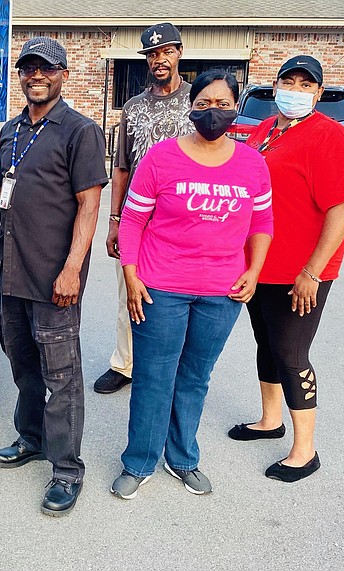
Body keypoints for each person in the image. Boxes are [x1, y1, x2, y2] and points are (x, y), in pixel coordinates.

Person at [0, 37, 108, 516]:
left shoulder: (80, 131)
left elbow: (89, 203)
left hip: (55, 277)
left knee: (62, 375)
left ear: (63, 75)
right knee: (21, 360)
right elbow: (3, 194)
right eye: (28, 68)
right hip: (13, 273)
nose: (36, 75)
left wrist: (73, 268)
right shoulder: (13, 130)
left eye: (46, 69)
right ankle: (31, 437)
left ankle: (66, 470)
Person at [110, 70, 273, 500]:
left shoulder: (253, 163)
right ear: (191, 106)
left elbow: (262, 223)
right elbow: (132, 219)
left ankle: (181, 457)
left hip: (222, 293)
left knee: (195, 377)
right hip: (159, 286)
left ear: (235, 107)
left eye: (222, 103)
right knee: (153, 376)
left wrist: (254, 271)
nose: (212, 112)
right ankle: (140, 460)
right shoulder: (161, 158)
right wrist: (130, 274)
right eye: (204, 103)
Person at [229, 55, 344, 482]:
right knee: (265, 343)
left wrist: (313, 271)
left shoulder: (331, 137)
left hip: (301, 271)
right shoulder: (267, 129)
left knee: (291, 353)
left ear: (319, 93)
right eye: (290, 81)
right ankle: (270, 420)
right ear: (276, 84)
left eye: (307, 85)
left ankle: (306, 450)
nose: (297, 90)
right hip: (261, 263)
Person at [94, 22, 194, 395]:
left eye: (165, 52)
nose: (159, 60)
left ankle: (174, 368)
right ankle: (125, 364)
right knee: (128, 291)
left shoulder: (196, 101)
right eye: (152, 54)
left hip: (185, 218)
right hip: (139, 218)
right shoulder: (134, 108)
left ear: (179, 52)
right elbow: (120, 167)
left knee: (179, 295)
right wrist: (114, 221)